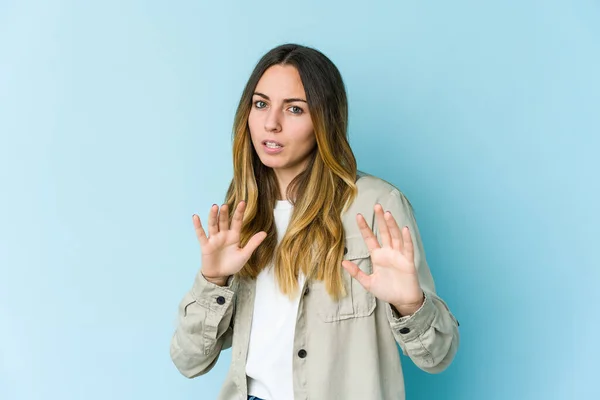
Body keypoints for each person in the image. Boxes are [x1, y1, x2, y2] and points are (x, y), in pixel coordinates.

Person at [170, 43, 460, 400]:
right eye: (261, 104)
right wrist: (213, 280)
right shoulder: (241, 211)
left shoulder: (375, 205)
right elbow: (189, 361)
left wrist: (410, 305)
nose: (271, 123)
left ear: (324, 121)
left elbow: (438, 356)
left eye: (294, 109)